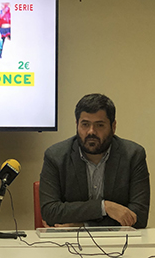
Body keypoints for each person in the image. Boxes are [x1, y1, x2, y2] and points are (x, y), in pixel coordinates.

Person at [39, 93, 150, 228]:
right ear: (77, 124)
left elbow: (138, 217)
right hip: (67, 243)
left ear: (113, 126)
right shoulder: (55, 156)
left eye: (100, 125)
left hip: (119, 243)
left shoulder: (133, 156)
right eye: (85, 124)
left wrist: (82, 224)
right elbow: (50, 213)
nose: (91, 131)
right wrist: (103, 207)